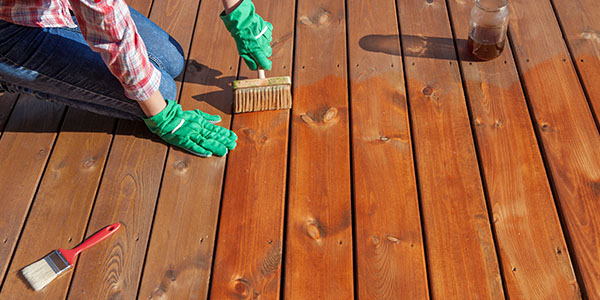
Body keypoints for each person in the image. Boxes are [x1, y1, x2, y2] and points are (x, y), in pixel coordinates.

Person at [0, 0, 272, 157]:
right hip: (12, 27)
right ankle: (9, 76)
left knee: (171, 59)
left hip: (57, 5)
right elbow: (114, 36)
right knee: (161, 94)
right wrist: (163, 118)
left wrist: (240, 12)